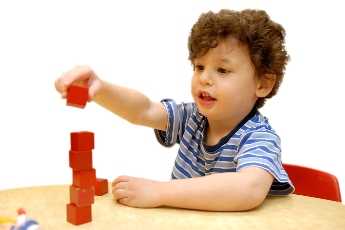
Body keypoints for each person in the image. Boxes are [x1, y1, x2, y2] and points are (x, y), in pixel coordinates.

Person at [55, 9, 294, 211]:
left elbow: (248, 189)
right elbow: (143, 110)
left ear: (262, 84)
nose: (204, 78)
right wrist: (100, 89)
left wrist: (159, 192)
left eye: (222, 70)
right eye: (199, 67)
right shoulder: (192, 118)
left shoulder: (259, 137)